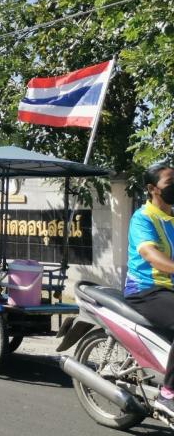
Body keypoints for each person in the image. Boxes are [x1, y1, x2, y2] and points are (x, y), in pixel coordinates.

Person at [124, 163, 174, 417]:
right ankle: (168, 394)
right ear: (153, 189)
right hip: (146, 290)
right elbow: (150, 254)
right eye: (170, 183)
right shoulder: (143, 218)